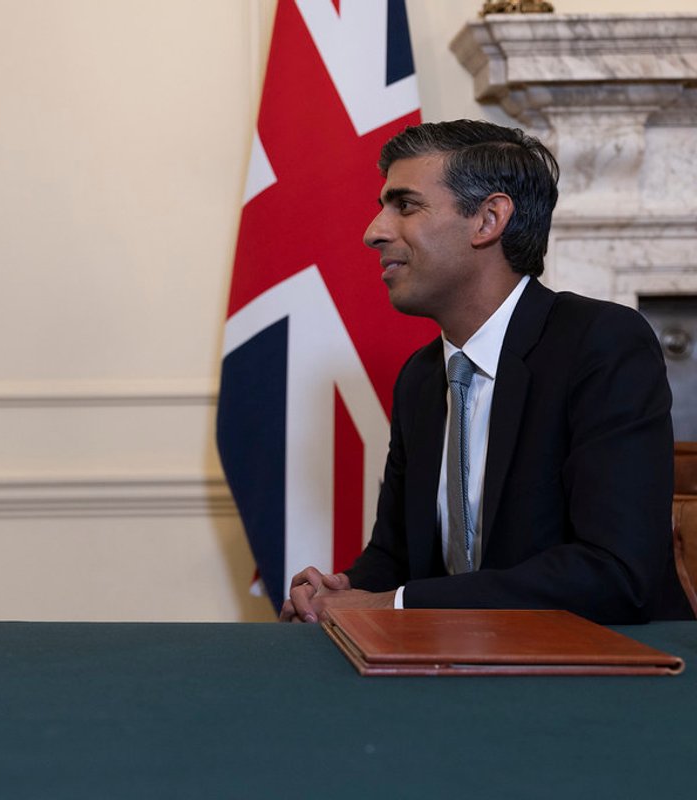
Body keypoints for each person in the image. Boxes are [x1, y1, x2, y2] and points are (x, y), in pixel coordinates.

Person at [280, 119, 693, 625]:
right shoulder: (422, 378)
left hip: (609, 676)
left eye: (405, 205)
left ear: (489, 219)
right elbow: (396, 559)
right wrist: (339, 593)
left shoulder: (602, 343)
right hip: (461, 670)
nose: (374, 233)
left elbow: (614, 573)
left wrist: (391, 603)